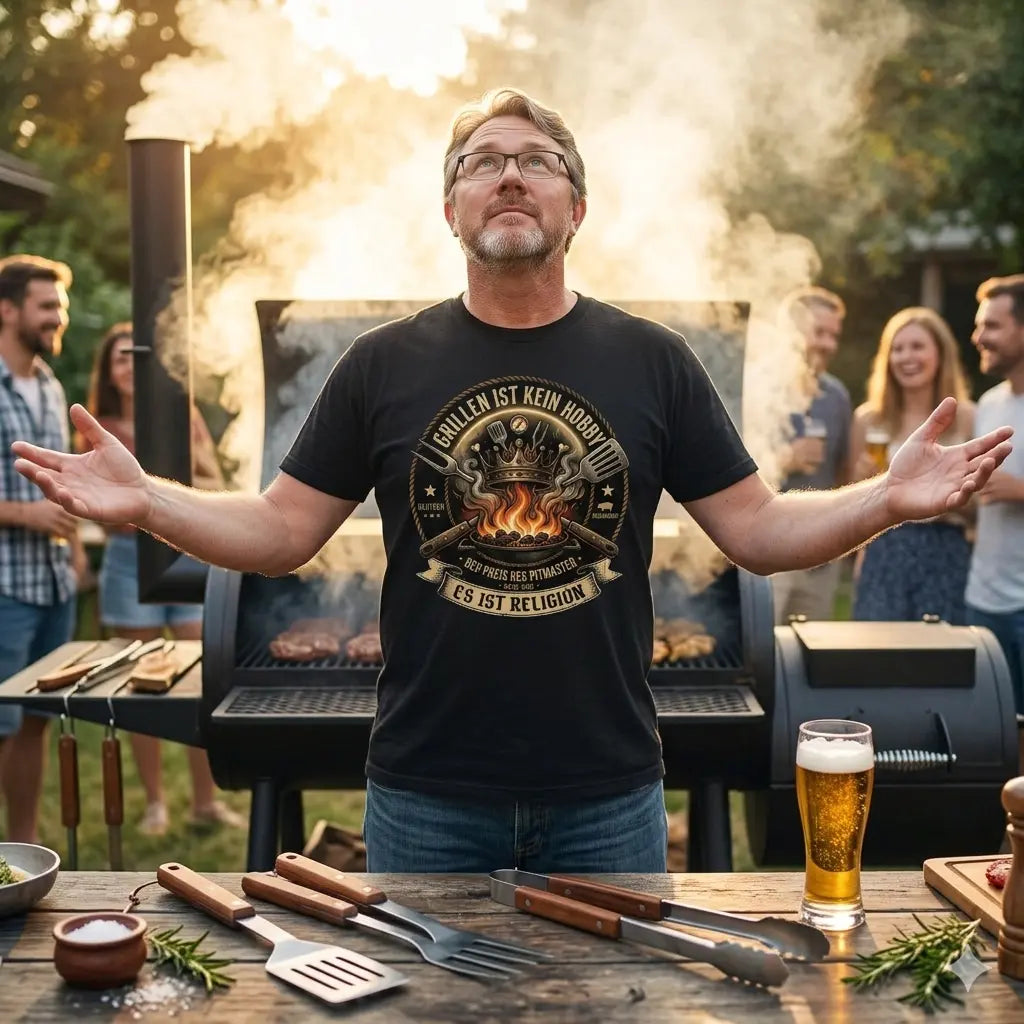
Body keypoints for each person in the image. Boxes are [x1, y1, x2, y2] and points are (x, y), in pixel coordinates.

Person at [10, 88, 1013, 873]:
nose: (510, 175)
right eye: (483, 162)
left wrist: (882, 496)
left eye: (537, 161)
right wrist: (148, 499)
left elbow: (753, 529)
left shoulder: (654, 360)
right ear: (450, 208)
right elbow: (279, 532)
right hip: (423, 790)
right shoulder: (381, 364)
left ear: (576, 206)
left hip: (611, 793)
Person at [80, 323, 244, 834]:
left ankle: (205, 801)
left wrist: (182, 482)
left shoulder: (183, 415)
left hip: (187, 553)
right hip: (129, 558)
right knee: (140, 684)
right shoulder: (97, 426)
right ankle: (155, 802)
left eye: (137, 356)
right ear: (108, 371)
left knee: (202, 678)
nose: (130, 364)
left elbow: (215, 482)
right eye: (119, 358)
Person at [0, 254, 84, 843]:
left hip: (54, 583)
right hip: (6, 588)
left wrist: (74, 551)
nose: (59, 317)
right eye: (47, 306)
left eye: (62, 306)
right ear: (7, 311)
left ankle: (22, 843)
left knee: (36, 720)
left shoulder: (50, 387)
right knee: (2, 724)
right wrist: (27, 515)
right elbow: (32, 503)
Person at [849, 307, 974, 623]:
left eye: (917, 346)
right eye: (898, 348)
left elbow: (979, 508)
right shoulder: (868, 419)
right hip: (884, 549)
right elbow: (849, 503)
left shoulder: (968, 416)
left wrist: (945, 492)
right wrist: (862, 483)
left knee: (943, 660)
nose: (907, 357)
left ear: (940, 354)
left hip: (946, 550)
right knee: (878, 658)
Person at [770, 286, 852, 625]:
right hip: (767, 558)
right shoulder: (758, 387)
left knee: (808, 662)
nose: (829, 345)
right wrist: (786, 458)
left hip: (821, 558)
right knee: (763, 658)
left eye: (834, 335)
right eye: (820, 333)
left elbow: (843, 471)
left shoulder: (837, 395)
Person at [965, 274, 1024, 713]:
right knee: (998, 730)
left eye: (992, 326)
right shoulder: (988, 404)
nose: (978, 337)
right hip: (983, 598)